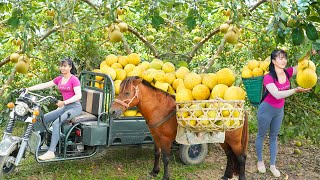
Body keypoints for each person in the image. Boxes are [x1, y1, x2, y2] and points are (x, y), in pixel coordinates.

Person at [255, 49, 310, 177]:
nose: (283, 60)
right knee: (261, 136)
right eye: (280, 58)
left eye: (284, 57)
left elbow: (302, 65)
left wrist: (309, 53)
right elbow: (277, 94)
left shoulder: (287, 72)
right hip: (266, 110)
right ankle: (260, 161)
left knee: (274, 137)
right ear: (273, 61)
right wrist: (295, 90)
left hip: (279, 111)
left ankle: (273, 165)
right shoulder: (268, 77)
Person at [27, 58, 82, 160]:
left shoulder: (74, 79)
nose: (62, 68)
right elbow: (45, 85)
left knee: (57, 123)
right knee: (42, 119)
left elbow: (79, 96)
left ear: (70, 67)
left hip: (74, 108)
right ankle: (41, 143)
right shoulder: (60, 79)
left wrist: (64, 102)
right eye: (61, 66)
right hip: (65, 107)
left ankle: (51, 151)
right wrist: (29, 89)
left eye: (65, 66)